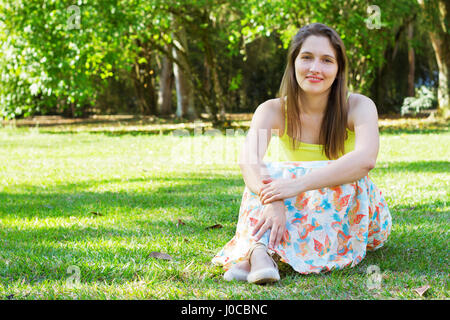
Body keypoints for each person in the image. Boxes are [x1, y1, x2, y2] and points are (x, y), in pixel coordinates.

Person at [212, 23, 392, 284]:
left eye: (327, 60)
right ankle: (261, 253)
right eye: (307, 57)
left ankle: (256, 253)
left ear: (339, 69)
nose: (315, 68)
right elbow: (248, 159)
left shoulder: (359, 106)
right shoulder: (271, 110)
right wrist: (273, 200)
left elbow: (365, 160)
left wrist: (296, 185)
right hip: (296, 204)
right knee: (266, 172)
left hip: (357, 212)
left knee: (337, 177)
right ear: (293, 62)